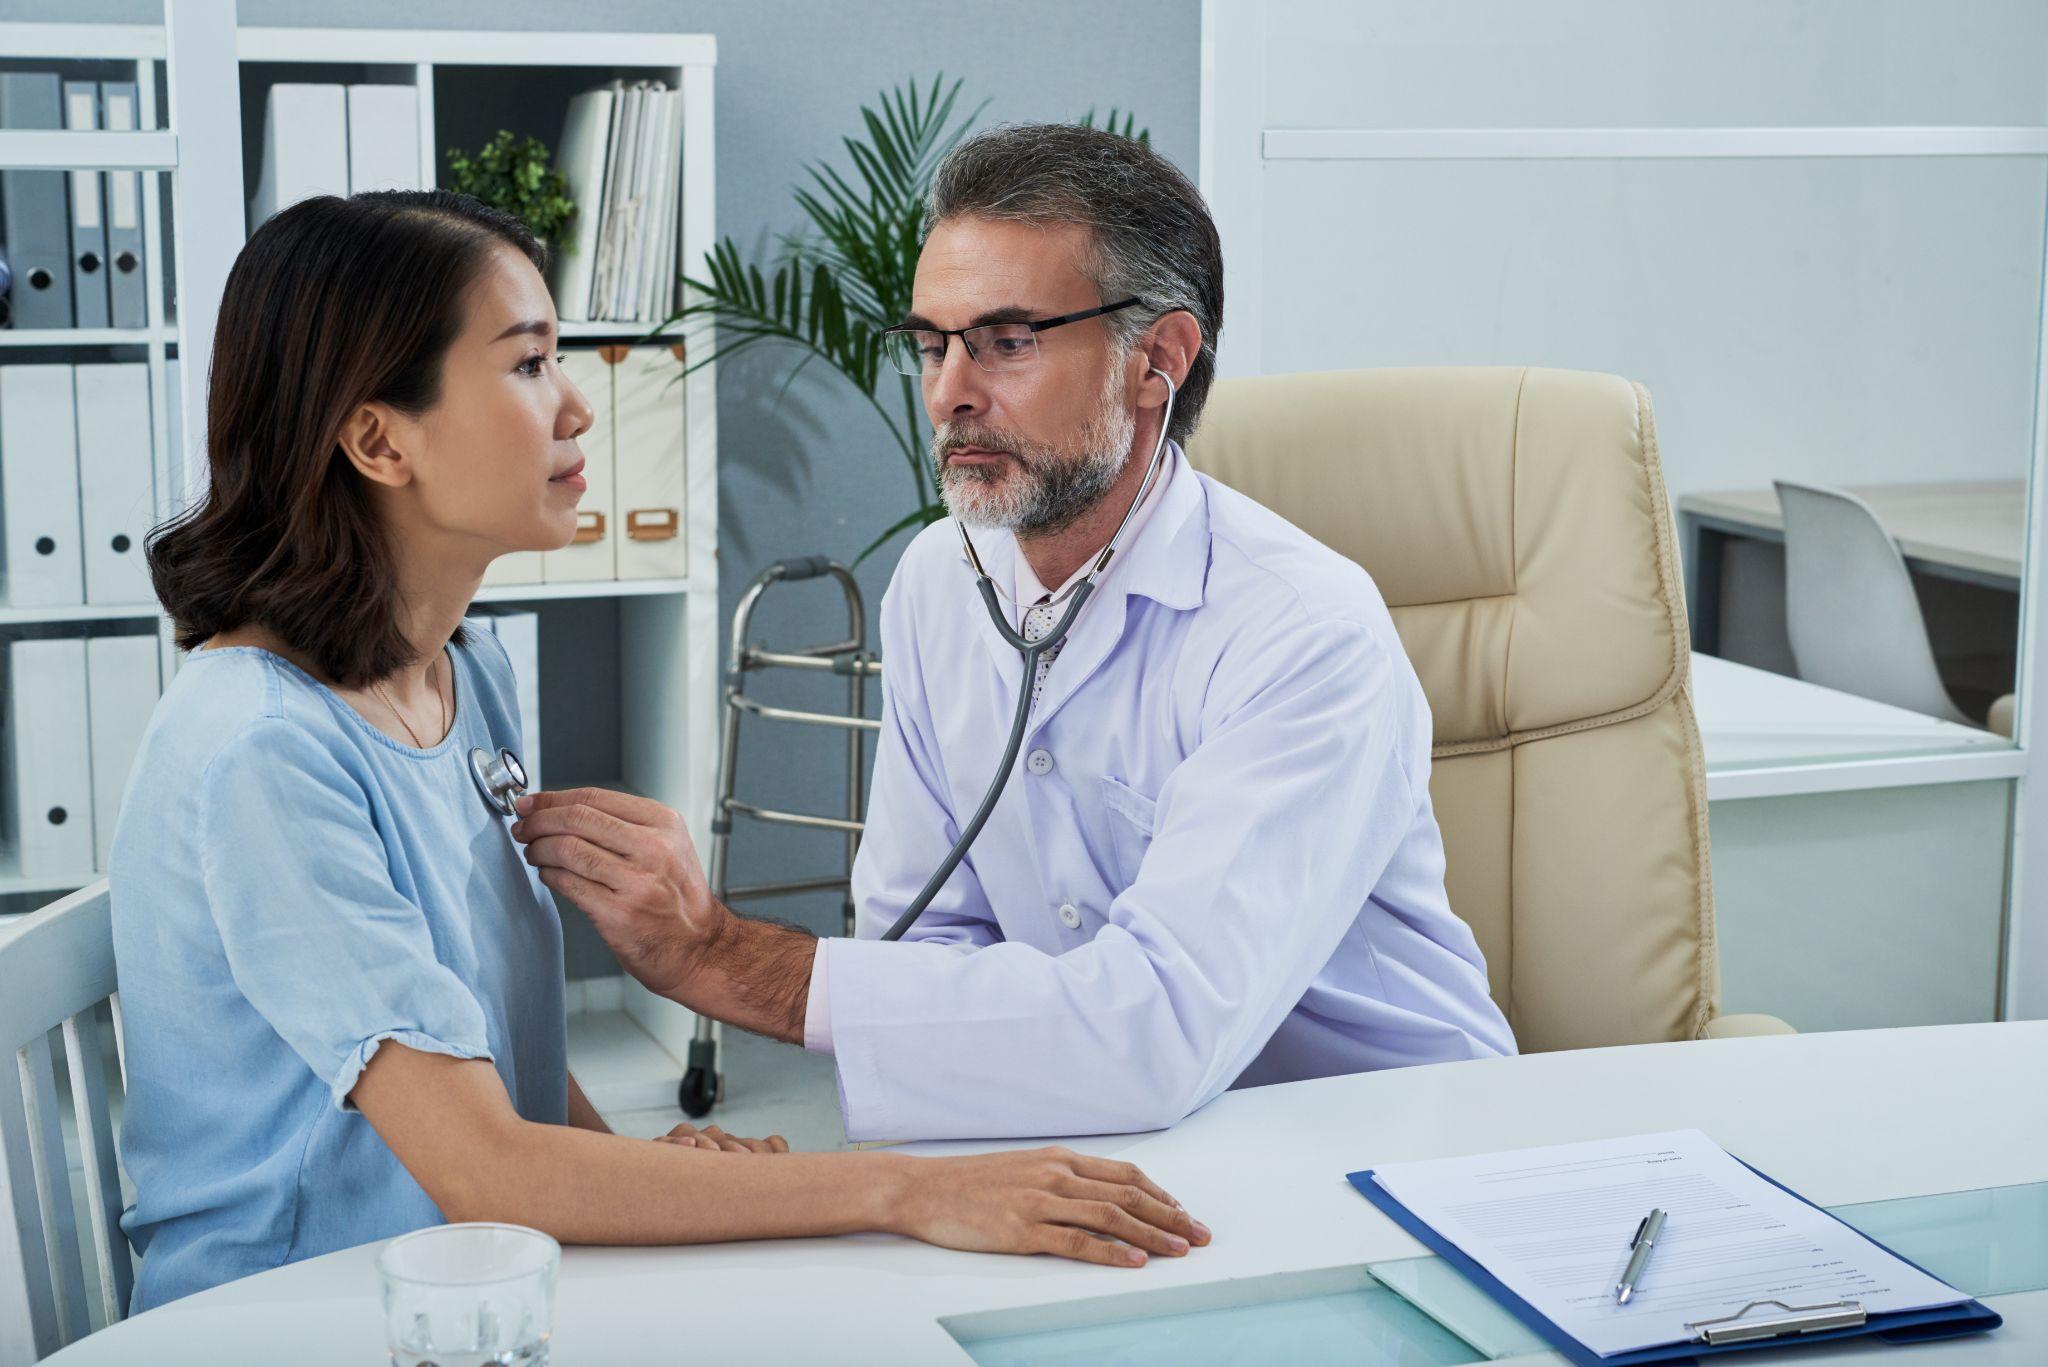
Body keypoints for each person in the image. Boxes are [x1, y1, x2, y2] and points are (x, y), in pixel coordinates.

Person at [108, 188, 1206, 1313]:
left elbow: (492, 1085)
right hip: (292, 1315)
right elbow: (486, 1162)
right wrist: (903, 1188)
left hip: (474, 1279)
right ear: (379, 438)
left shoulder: (460, 669)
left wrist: (651, 1165)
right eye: (529, 364)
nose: (578, 408)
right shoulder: (259, 750)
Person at [516, 124, 1516, 1145]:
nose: (948, 391)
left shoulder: (1302, 634)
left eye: (1004, 341)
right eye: (930, 342)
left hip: (1377, 1157)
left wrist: (720, 956)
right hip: (1109, 1144)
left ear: (1156, 360)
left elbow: (1154, 1028)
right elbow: (931, 932)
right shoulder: (936, 581)